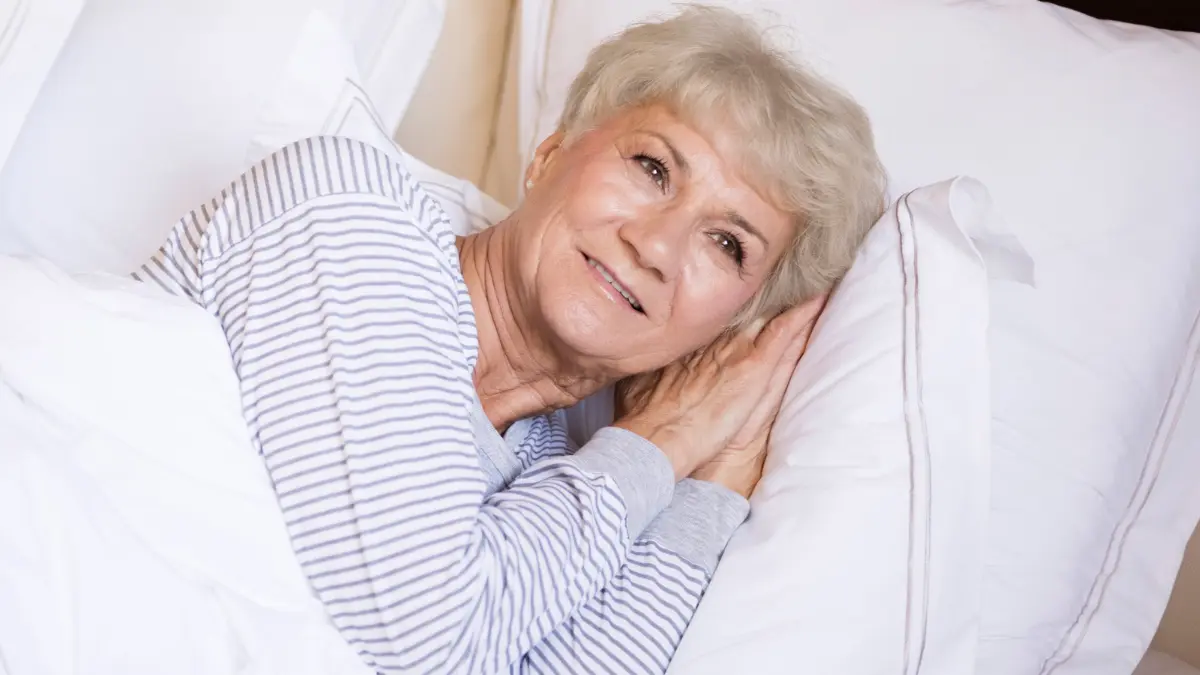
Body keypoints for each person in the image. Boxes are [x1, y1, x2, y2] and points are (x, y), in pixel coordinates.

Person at [134, 6, 885, 674]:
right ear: (549, 154)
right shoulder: (351, 211)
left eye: (727, 244)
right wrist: (663, 441)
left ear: (730, 329)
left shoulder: (572, 469)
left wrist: (715, 474)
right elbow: (420, 632)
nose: (656, 246)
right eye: (652, 167)